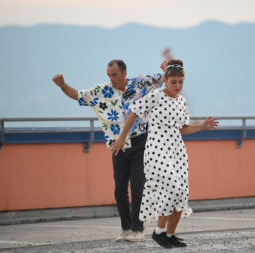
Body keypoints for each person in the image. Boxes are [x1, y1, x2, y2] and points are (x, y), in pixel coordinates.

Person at [52, 59, 166, 242]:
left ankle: (138, 230)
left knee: (138, 187)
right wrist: (62, 85)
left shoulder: (139, 83)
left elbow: (165, 78)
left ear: (124, 73)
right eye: (109, 75)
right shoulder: (102, 92)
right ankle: (126, 229)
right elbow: (77, 95)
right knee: (119, 189)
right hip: (117, 145)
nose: (111, 78)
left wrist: (167, 69)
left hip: (140, 142)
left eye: (114, 75)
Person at [111, 59, 219, 248]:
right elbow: (133, 113)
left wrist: (201, 126)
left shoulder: (182, 101)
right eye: (173, 82)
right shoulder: (155, 96)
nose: (177, 86)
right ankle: (158, 232)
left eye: (180, 82)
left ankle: (169, 235)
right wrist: (122, 137)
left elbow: (183, 128)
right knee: (173, 188)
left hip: (177, 150)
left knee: (181, 194)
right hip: (156, 149)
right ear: (166, 81)